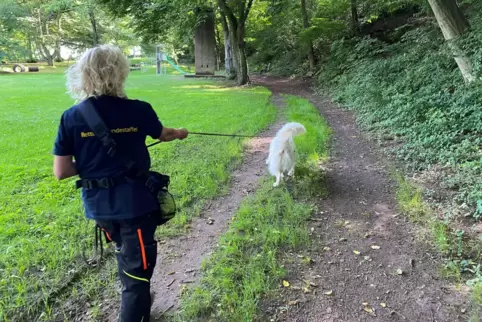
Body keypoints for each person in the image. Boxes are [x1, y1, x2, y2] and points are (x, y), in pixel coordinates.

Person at [52, 44, 188, 322]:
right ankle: (136, 306)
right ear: (120, 73)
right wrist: (181, 132)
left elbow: (62, 171)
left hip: (99, 207)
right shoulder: (139, 110)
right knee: (138, 272)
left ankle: (138, 302)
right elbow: (164, 134)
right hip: (136, 205)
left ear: (84, 75)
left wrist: (93, 163)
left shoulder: (72, 117)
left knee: (127, 256)